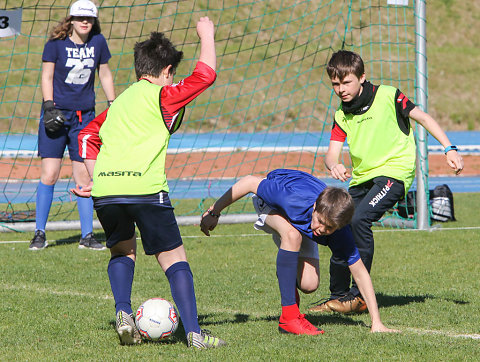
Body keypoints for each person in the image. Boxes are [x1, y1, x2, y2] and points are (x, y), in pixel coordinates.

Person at [71, 17, 226, 349]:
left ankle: (124, 312)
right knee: (174, 258)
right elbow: (206, 75)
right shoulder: (165, 96)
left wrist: (94, 177)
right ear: (167, 71)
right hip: (146, 189)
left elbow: (86, 136)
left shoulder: (120, 103)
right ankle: (196, 334)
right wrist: (207, 36)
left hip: (106, 192)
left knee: (123, 251)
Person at [309, 50, 464, 314]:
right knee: (337, 225)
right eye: (335, 84)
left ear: (362, 77)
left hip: (394, 173)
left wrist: (449, 148)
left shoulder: (389, 96)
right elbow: (331, 153)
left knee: (359, 219)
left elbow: (423, 118)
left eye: (346, 82)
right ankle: (338, 296)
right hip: (361, 179)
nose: (340, 89)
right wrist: (334, 165)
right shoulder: (341, 114)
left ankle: (358, 297)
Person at [200, 168, 397, 335]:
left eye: (329, 229)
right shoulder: (292, 199)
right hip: (269, 202)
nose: (321, 230)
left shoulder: (339, 231)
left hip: (299, 219)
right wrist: (214, 212)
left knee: (310, 284)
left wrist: (376, 322)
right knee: (292, 235)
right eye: (319, 221)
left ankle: (285, 272)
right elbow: (250, 182)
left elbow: (360, 273)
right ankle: (289, 318)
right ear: (314, 208)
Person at [29, 0, 115, 250]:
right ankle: (39, 233)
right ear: (71, 19)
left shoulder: (98, 43)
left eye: (88, 18)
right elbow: (46, 75)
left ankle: (87, 236)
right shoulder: (55, 44)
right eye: (79, 18)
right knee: (50, 174)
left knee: (84, 176)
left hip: (84, 118)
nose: (84, 22)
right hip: (56, 115)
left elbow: (105, 73)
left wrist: (113, 104)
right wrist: (48, 106)